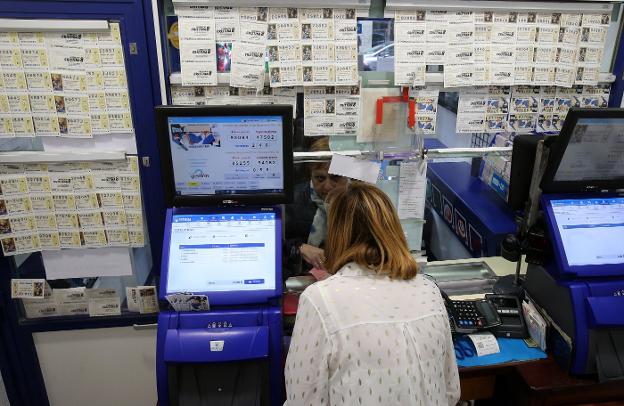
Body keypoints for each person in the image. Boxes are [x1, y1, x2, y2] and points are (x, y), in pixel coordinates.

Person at [285, 183, 460, 405]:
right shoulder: (429, 290)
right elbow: (451, 390)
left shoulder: (321, 300)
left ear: (337, 234)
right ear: (393, 229)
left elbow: (303, 400)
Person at [284, 137, 348, 273]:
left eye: (335, 177)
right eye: (320, 178)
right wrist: (300, 247)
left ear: (347, 175)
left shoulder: (360, 202)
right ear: (310, 175)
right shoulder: (294, 201)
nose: (328, 186)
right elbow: (280, 242)